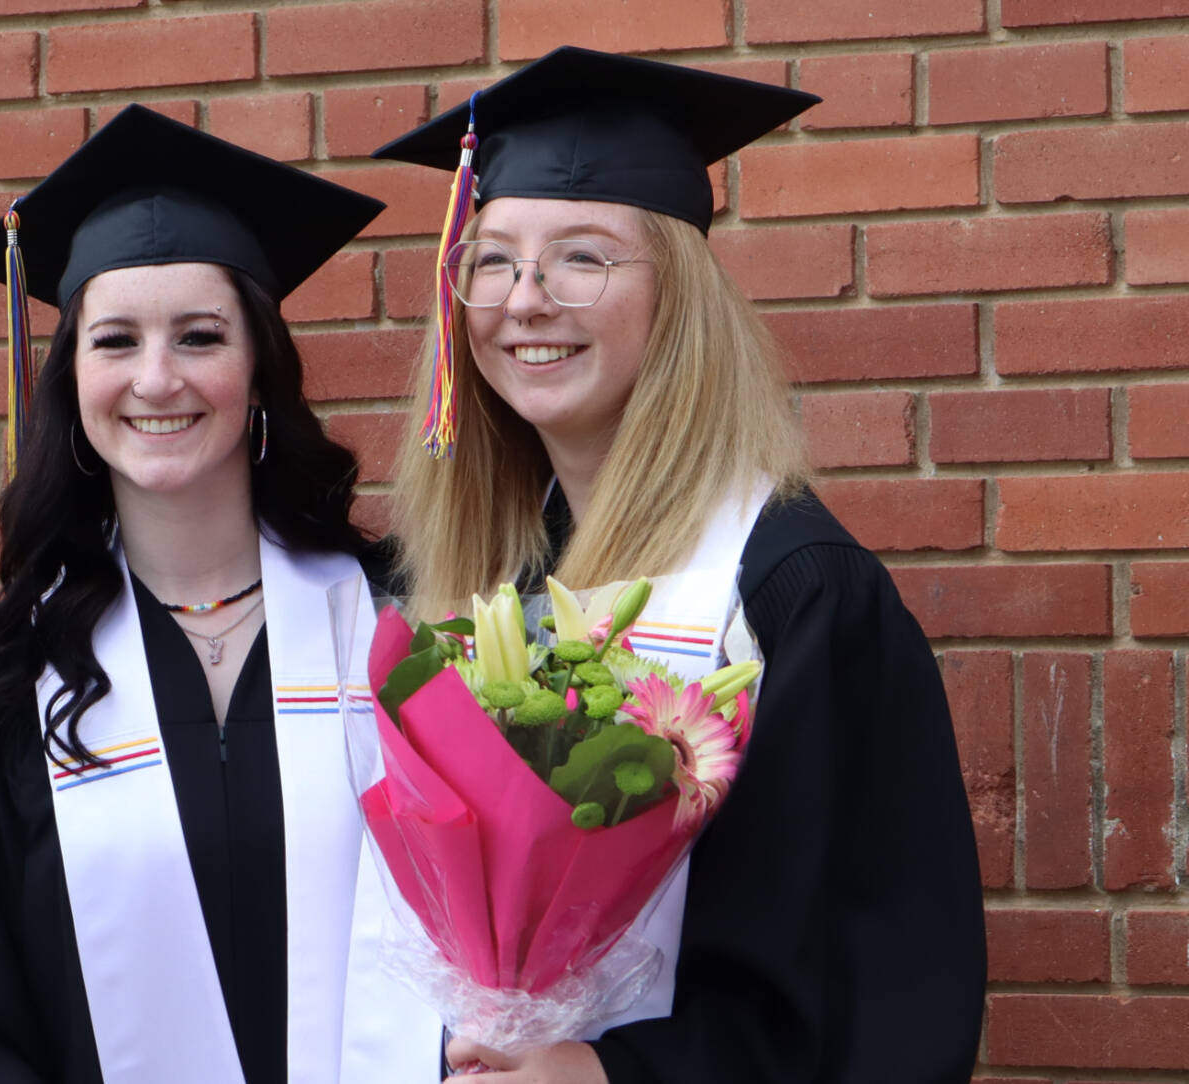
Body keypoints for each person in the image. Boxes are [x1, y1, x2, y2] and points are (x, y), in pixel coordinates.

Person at [372, 47, 987, 1082]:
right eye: (491, 259)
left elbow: (878, 995)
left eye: (582, 256)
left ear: (680, 294)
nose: (525, 299)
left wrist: (617, 1074)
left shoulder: (793, 588)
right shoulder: (446, 581)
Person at [0, 105, 441, 1083]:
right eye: (117, 340)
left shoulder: (404, 627)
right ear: (74, 381)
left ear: (259, 371)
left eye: (201, 336)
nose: (157, 378)